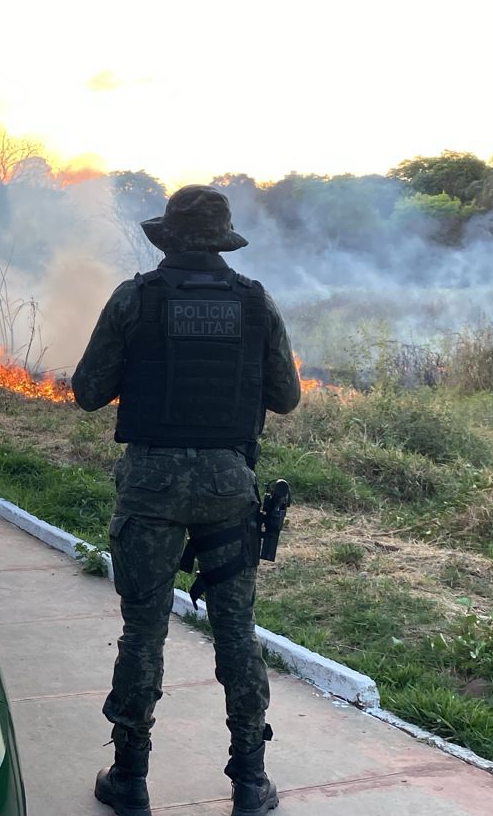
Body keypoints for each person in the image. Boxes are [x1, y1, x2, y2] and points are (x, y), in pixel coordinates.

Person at [72, 185, 301, 816]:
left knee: (142, 632)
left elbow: (88, 390)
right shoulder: (256, 301)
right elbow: (285, 397)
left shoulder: (135, 296)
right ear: (222, 240)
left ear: (168, 238)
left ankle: (130, 778)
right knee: (237, 632)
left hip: (150, 484)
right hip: (229, 486)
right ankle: (251, 782)